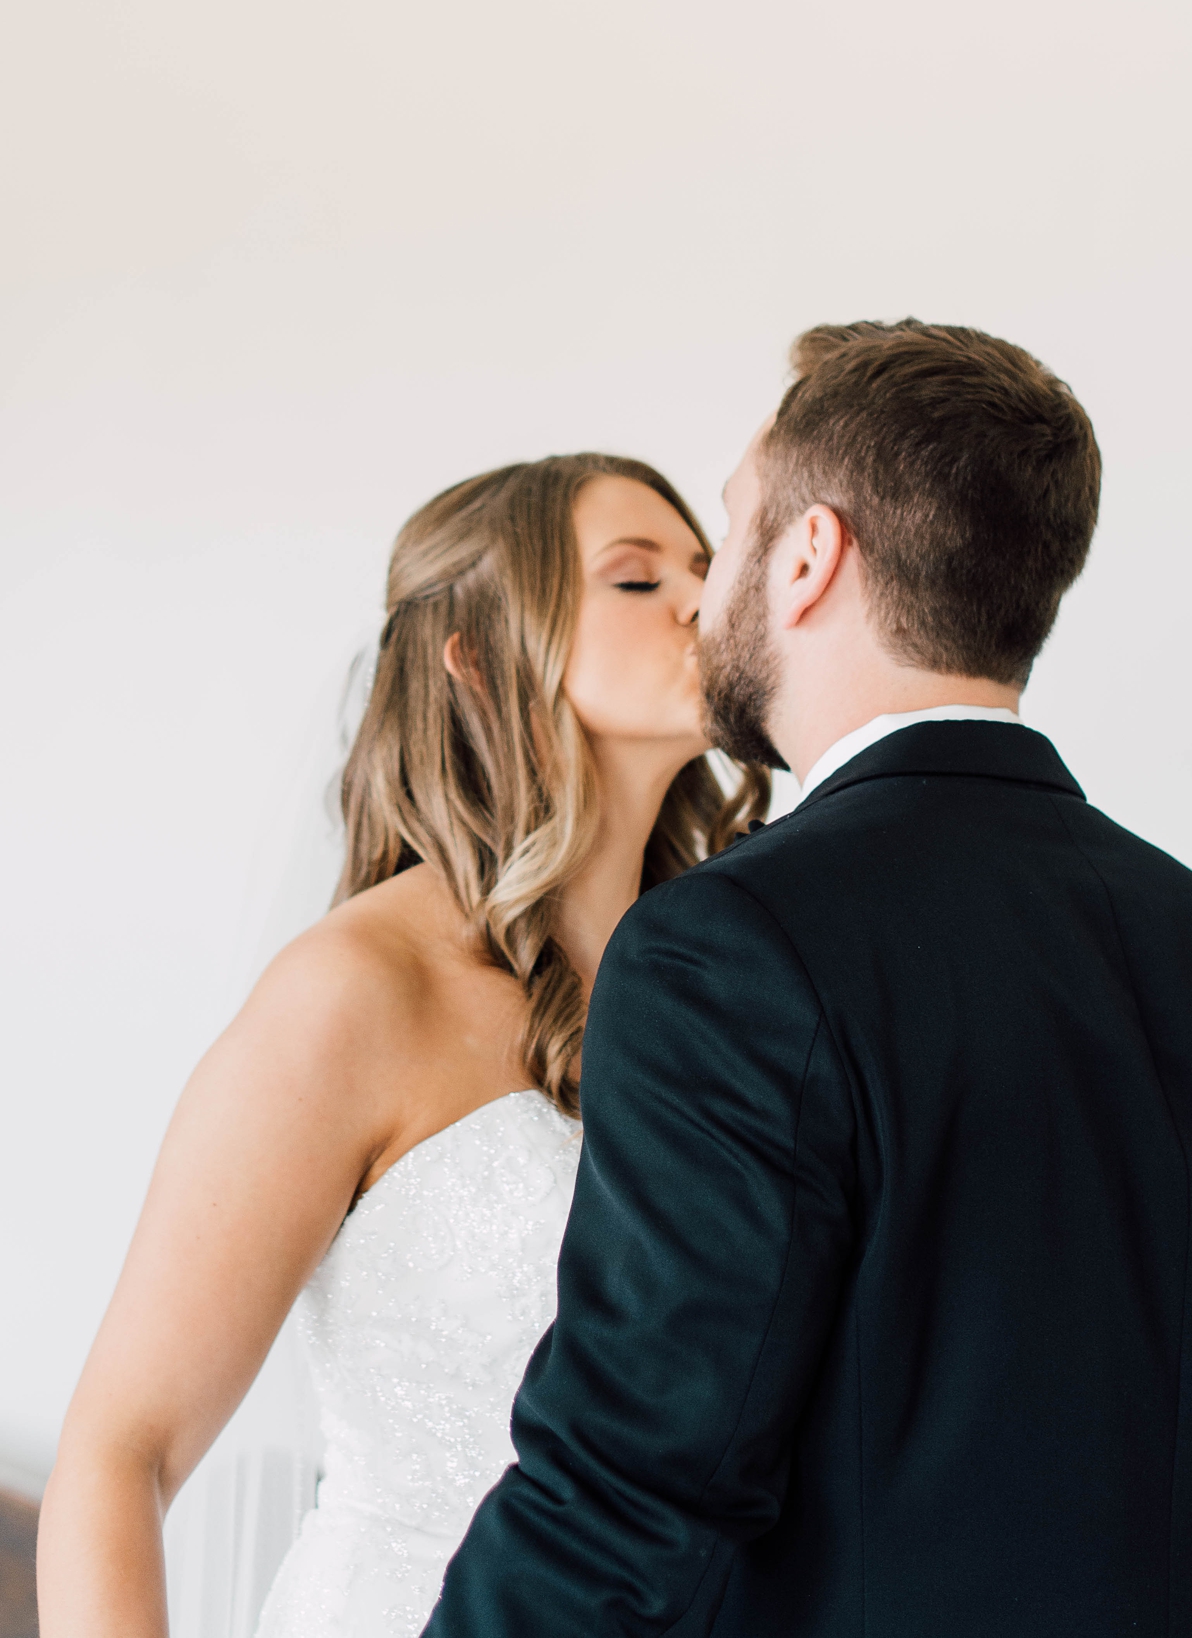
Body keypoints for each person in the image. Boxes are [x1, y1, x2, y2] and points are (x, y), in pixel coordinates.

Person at [422, 320, 1192, 1638]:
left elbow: (634, 1485)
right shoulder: (1180, 924)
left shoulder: (725, 947)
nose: (702, 594)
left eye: (726, 539)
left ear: (809, 555)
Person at [35, 454, 769, 1638]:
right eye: (638, 579)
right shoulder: (357, 993)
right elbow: (123, 1452)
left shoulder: (726, 993)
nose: (704, 600)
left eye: (707, 564)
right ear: (475, 658)